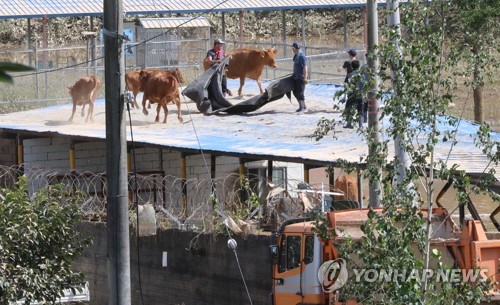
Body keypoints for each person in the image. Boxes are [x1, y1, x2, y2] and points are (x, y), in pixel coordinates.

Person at [343, 60, 363, 129]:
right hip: (360, 95)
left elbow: (346, 85)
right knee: (360, 111)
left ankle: (349, 123)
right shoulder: (362, 75)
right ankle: (361, 126)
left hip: (352, 95)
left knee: (348, 108)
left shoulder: (349, 75)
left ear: (352, 66)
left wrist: (345, 96)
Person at [291, 42, 308, 113]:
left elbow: (305, 67)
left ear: (295, 48)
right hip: (296, 77)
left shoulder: (301, 56)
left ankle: (302, 107)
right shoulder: (296, 56)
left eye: (293, 48)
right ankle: (302, 106)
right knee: (295, 92)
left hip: (301, 77)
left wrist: (305, 77)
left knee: (300, 92)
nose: (292, 49)